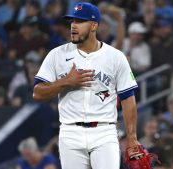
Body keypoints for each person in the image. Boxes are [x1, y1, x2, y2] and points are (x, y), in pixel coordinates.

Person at [33, 2, 141, 169]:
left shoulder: (115, 57)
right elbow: (37, 93)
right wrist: (66, 81)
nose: (73, 26)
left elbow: (128, 99)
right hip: (70, 132)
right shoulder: (57, 55)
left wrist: (132, 138)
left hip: (104, 132)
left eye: (79, 22)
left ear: (94, 26)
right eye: (72, 22)